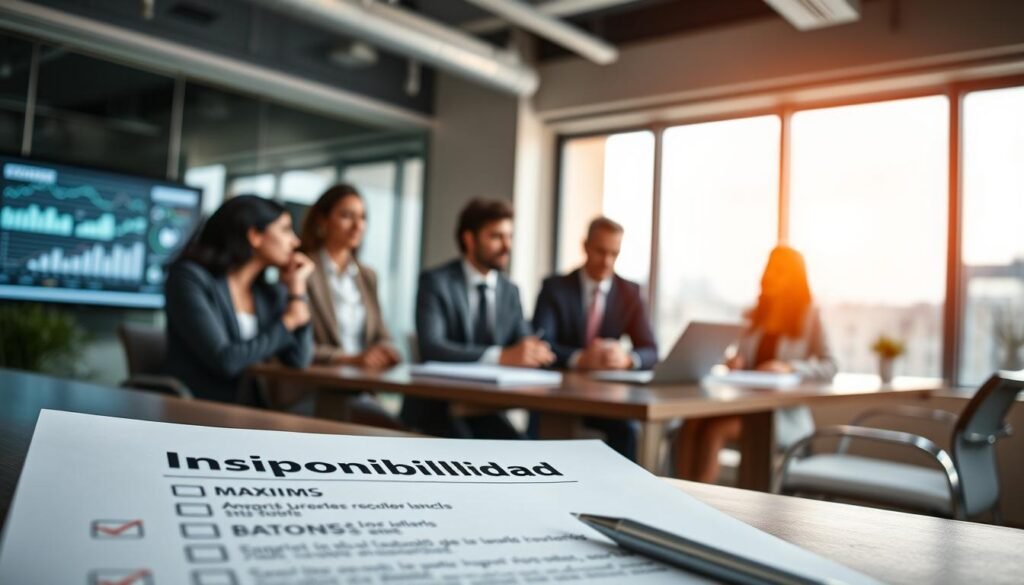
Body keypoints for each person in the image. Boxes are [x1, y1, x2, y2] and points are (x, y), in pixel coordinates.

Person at [675, 245, 837, 483]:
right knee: (692, 421)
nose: (770, 275)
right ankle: (681, 496)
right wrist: (735, 361)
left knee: (714, 430)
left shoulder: (810, 316)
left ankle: (698, 502)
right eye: (769, 268)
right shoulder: (753, 315)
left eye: (779, 270)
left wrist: (790, 367)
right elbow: (741, 358)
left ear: (794, 277)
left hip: (782, 415)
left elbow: (830, 365)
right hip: (743, 405)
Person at [402, 197, 555, 438]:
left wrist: (532, 350)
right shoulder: (436, 282)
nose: (507, 246)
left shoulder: (509, 290)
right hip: (439, 410)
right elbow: (432, 347)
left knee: (525, 450)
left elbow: (522, 337)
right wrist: (502, 356)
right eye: (496, 237)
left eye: (509, 236)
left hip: (485, 409)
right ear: (469, 239)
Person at [164, 195, 315, 404]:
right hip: (201, 409)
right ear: (255, 235)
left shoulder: (266, 293)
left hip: (250, 411)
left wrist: (297, 291)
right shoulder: (190, 278)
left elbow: (299, 360)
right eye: (286, 229)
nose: (295, 241)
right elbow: (226, 361)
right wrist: (288, 321)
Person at [532, 216, 658, 458]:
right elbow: (541, 344)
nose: (607, 261)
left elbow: (651, 349)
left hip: (606, 399)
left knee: (628, 432)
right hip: (557, 397)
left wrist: (627, 359)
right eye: (601, 251)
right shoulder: (555, 288)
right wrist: (581, 359)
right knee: (543, 433)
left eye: (614, 253)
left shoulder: (629, 293)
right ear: (585, 246)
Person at [297, 184, 402, 428]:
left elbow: (381, 335)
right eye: (346, 216)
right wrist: (350, 359)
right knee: (393, 430)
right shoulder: (303, 269)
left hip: (361, 387)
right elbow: (296, 346)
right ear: (322, 220)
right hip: (316, 390)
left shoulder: (367, 276)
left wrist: (384, 351)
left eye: (362, 217)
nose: (358, 226)